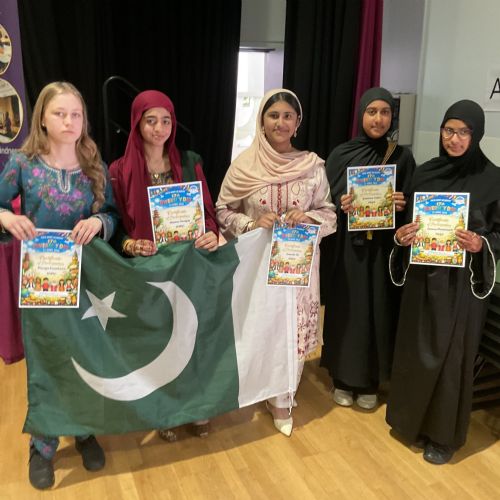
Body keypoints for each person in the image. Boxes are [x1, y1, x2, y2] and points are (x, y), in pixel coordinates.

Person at [0, 81, 118, 489]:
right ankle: (43, 444)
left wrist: (98, 222)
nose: (69, 121)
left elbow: (113, 215)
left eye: (76, 114)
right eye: (59, 113)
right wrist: (6, 217)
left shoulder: (94, 165)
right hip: (42, 284)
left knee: (85, 356)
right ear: (43, 119)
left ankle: (84, 429)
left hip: (87, 282)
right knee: (47, 362)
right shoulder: (23, 163)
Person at [216, 88, 336, 436]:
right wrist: (252, 223)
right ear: (262, 121)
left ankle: (283, 397)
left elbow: (330, 214)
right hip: (256, 267)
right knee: (260, 326)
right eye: (273, 116)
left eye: (288, 116)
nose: (280, 123)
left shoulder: (312, 167)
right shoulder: (244, 166)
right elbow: (222, 210)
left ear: (297, 123)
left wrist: (308, 217)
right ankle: (257, 385)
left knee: (292, 328)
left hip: (298, 268)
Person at [386, 99, 500, 464]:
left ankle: (442, 436)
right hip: (423, 277)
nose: (454, 139)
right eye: (449, 130)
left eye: (464, 132)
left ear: (476, 135)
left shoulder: (493, 179)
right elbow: (409, 223)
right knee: (415, 350)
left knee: (453, 358)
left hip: (462, 286)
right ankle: (411, 422)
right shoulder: (425, 173)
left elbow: (499, 234)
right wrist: (401, 235)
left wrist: (482, 243)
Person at [109, 89, 218, 441]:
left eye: (166, 121)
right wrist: (129, 244)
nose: (159, 128)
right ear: (136, 124)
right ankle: (165, 410)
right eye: (151, 121)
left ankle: (197, 405)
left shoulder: (189, 161)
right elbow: (113, 225)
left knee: (193, 335)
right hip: (149, 271)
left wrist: (211, 233)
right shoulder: (119, 170)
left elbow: (207, 211)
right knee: (158, 342)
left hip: (189, 266)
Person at [320, 87, 416, 410]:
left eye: (385, 112)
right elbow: (324, 202)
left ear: (392, 117)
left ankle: (372, 380)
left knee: (379, 309)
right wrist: (341, 202)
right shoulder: (341, 154)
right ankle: (343, 378)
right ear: (361, 114)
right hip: (350, 249)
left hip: (383, 249)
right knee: (349, 309)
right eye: (372, 112)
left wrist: (402, 203)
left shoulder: (402, 157)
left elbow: (413, 204)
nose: (378, 119)